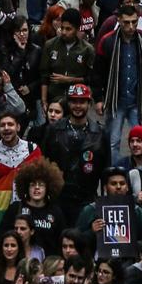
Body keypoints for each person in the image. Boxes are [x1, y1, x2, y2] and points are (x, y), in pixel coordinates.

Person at [92, 4, 142, 165]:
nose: (131, 26)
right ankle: (115, 176)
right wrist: (99, 98)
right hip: (116, 101)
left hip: (137, 99)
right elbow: (97, 72)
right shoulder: (108, 41)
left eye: (134, 22)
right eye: (127, 22)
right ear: (119, 21)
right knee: (112, 141)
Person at [41, 84, 109, 222]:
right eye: (74, 101)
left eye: (82, 102)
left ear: (89, 104)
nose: (78, 106)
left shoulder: (101, 133)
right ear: (68, 103)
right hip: (59, 198)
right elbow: (44, 164)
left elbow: (106, 169)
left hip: (87, 198)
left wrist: (105, 201)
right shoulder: (53, 130)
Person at [39, 8, 94, 108]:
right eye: (62, 28)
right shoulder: (50, 45)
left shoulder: (87, 50)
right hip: (54, 99)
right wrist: (44, 101)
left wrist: (69, 80)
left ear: (77, 29)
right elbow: (44, 75)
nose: (64, 32)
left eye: (68, 29)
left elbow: (90, 78)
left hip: (76, 100)